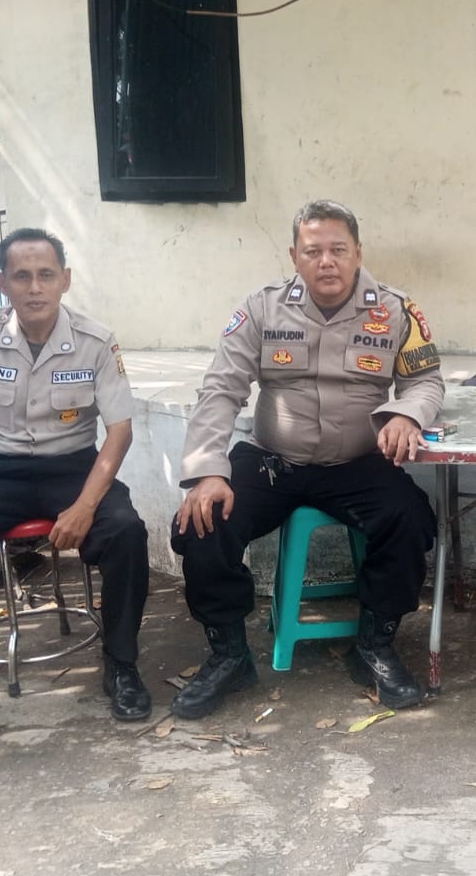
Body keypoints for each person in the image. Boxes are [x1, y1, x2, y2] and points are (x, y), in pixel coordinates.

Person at [171, 200, 444, 719]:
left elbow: (425, 381)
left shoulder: (396, 310)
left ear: (358, 253)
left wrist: (406, 414)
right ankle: (229, 655)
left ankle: (375, 645)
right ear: (294, 256)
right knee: (203, 522)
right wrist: (207, 471)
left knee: (409, 520)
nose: (327, 262)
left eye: (338, 249)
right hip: (273, 461)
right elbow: (221, 389)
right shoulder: (261, 308)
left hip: (358, 462)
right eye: (313, 251)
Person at [0, 228, 151, 747]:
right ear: (2, 282)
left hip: (74, 468)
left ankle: (121, 665)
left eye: (45, 275)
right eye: (21, 276)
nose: (34, 287)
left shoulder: (95, 341)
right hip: (0, 470)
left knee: (127, 533)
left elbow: (120, 431)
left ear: (65, 279)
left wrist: (86, 505)